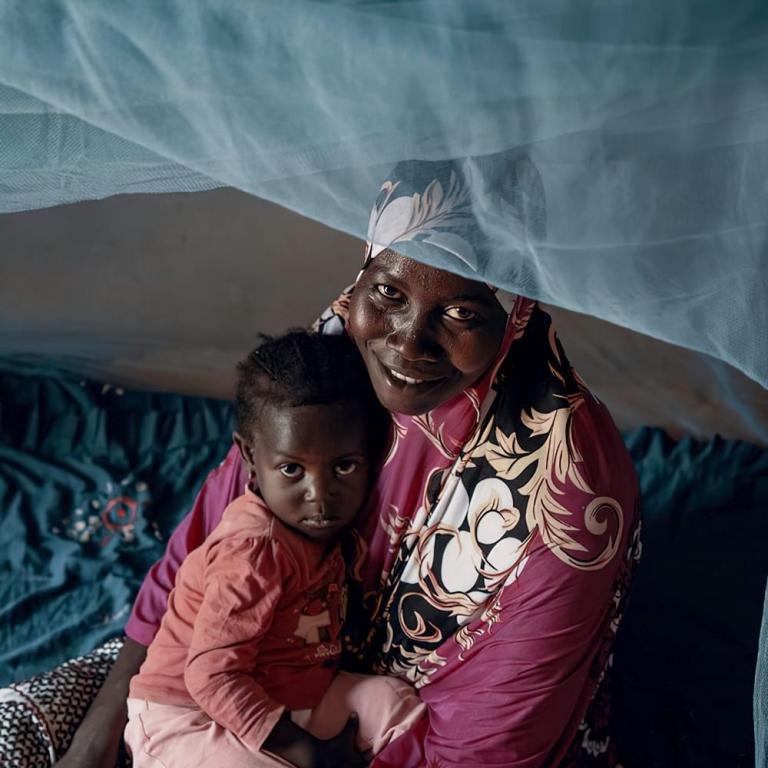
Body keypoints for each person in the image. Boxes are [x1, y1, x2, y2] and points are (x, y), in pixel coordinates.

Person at [58, 153, 641, 768]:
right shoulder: (340, 343)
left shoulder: (570, 494)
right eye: (387, 292)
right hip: (265, 676)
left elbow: (491, 742)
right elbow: (212, 542)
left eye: (463, 312)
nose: (407, 343)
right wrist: (97, 733)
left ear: (515, 310)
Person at [123, 331, 424, 767]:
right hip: (187, 715)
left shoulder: (328, 534)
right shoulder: (253, 552)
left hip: (283, 698)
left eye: (344, 466)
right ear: (249, 456)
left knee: (394, 704)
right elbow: (211, 676)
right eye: (291, 469)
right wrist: (307, 752)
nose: (320, 494)